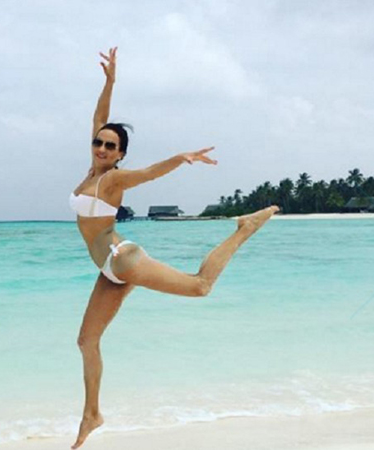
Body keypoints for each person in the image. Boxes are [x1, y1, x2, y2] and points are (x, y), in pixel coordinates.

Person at [70, 46, 280, 449]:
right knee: (86, 341)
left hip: (123, 259)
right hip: (107, 270)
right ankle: (92, 414)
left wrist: (179, 158)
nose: (102, 148)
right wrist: (110, 82)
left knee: (200, 286)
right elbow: (100, 118)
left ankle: (244, 228)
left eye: (111, 147)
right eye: (99, 143)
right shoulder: (90, 172)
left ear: (120, 155)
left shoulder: (112, 179)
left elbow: (149, 173)